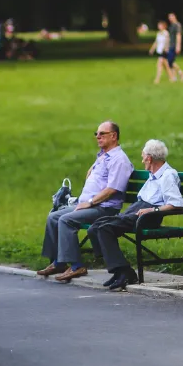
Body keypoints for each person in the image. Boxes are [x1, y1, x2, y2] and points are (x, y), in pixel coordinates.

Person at [38, 121, 134, 282]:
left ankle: (76, 266)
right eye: (96, 134)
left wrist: (89, 202)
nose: (97, 136)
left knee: (66, 220)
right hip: (90, 204)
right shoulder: (104, 156)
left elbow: (113, 189)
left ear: (114, 136)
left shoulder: (119, 160)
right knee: (53, 216)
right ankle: (59, 261)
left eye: (102, 133)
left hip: (104, 208)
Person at [87, 139, 183, 291]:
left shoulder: (167, 175)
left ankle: (125, 272)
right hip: (138, 210)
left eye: (143, 156)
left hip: (148, 216)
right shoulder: (153, 174)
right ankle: (119, 270)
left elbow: (176, 203)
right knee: (95, 227)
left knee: (105, 228)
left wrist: (152, 210)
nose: (142, 159)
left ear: (149, 158)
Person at [167, 13, 183, 82]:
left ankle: (181, 73)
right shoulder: (171, 26)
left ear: (175, 16)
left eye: (171, 17)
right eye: (169, 17)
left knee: (169, 61)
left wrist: (178, 46)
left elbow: (178, 35)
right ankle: (174, 77)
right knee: (171, 61)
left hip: (174, 45)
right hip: (170, 45)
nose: (170, 18)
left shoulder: (177, 25)